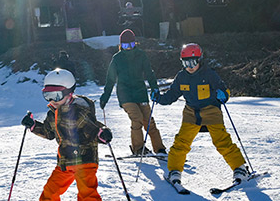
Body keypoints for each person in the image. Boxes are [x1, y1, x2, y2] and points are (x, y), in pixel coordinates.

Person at [21, 68, 114, 201]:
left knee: (87, 195)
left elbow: (92, 127)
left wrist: (101, 134)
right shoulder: (53, 113)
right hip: (65, 162)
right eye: (47, 96)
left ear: (69, 92)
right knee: (50, 192)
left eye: (56, 95)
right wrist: (33, 126)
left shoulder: (78, 110)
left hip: (84, 160)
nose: (52, 101)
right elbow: (49, 133)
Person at [152, 43, 249, 188]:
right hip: (191, 112)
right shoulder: (182, 77)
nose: (190, 66)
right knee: (181, 142)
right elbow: (171, 96)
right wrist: (158, 98)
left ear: (200, 60)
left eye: (193, 62)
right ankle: (174, 171)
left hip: (211, 110)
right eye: (186, 63)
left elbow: (223, 90)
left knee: (221, 141)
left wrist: (224, 95)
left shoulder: (209, 74)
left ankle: (240, 167)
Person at [99, 29, 166, 156]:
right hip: (125, 95)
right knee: (137, 118)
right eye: (125, 46)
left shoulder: (141, 55)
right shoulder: (117, 58)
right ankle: (138, 148)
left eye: (131, 45)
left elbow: (149, 73)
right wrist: (105, 97)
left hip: (140, 92)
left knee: (149, 121)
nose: (128, 48)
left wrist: (155, 88)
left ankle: (160, 149)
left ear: (135, 44)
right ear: (121, 46)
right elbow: (110, 79)